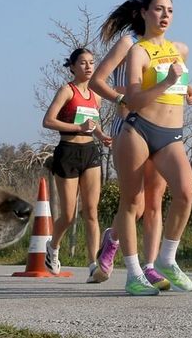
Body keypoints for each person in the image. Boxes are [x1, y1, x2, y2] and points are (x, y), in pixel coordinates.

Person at [91, 0, 192, 296]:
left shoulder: (179, 50)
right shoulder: (132, 47)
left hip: (169, 133)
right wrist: (123, 98)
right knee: (134, 202)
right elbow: (106, 84)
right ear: (144, 13)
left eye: (170, 10)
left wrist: (188, 91)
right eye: (158, 9)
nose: (165, 15)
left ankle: (159, 262)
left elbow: (178, 83)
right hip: (135, 125)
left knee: (169, 197)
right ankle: (131, 267)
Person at [41, 48, 112, 282]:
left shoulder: (96, 95)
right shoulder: (66, 91)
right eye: (83, 63)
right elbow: (48, 121)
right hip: (67, 152)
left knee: (91, 211)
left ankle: (93, 265)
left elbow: (93, 122)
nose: (89, 67)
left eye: (92, 63)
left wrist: (101, 136)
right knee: (68, 215)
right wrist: (78, 128)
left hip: (90, 152)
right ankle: (53, 246)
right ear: (72, 66)